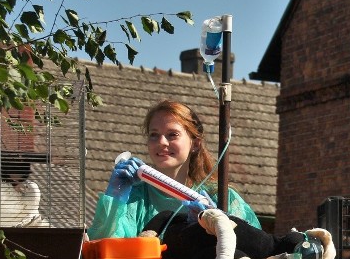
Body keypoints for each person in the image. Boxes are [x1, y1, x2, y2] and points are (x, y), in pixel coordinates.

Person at [87, 100, 261, 240]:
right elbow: (101, 247)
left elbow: (256, 245)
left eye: (172, 135)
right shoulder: (136, 199)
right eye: (154, 135)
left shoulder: (222, 196)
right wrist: (115, 199)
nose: (161, 142)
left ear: (195, 144)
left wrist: (218, 225)